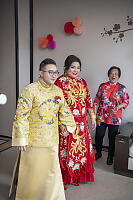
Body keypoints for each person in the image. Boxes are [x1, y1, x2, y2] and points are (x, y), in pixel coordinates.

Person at [10, 58, 76, 200]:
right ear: (41, 73)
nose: (54, 75)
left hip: (52, 139)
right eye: (50, 72)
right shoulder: (29, 89)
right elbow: (21, 115)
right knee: (32, 172)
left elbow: (64, 110)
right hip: (33, 140)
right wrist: (21, 138)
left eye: (56, 72)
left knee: (51, 172)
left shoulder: (58, 91)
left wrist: (65, 125)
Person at [55, 55, 96, 189]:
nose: (75, 70)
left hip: (82, 124)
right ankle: (67, 176)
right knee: (68, 150)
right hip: (67, 124)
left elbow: (88, 100)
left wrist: (93, 118)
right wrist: (61, 124)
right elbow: (57, 105)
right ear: (66, 67)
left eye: (78, 68)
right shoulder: (59, 82)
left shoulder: (82, 82)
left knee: (82, 150)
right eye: (73, 67)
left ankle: (79, 175)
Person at [94, 66, 129, 165]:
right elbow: (97, 99)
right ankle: (98, 152)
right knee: (99, 135)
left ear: (118, 76)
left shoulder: (122, 88)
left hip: (114, 117)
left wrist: (118, 107)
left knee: (112, 137)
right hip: (102, 116)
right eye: (111, 73)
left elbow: (126, 101)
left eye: (116, 74)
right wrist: (94, 114)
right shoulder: (102, 86)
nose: (113, 75)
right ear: (108, 75)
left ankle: (110, 156)